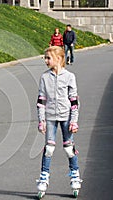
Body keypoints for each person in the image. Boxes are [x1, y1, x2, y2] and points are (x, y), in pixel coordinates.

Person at [36, 46, 82, 198]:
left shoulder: (70, 76)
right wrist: (41, 120)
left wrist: (74, 121)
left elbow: (74, 101)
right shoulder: (44, 77)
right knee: (49, 148)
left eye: (48, 58)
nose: (46, 60)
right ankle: (43, 178)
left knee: (69, 148)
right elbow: (41, 100)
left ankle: (75, 175)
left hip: (66, 116)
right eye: (45, 57)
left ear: (59, 59)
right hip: (50, 117)